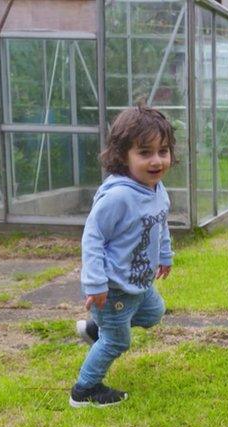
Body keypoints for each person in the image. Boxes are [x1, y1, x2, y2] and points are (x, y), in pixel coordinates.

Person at [70, 105, 176, 408]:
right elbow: (93, 237)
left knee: (153, 313)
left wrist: (165, 254)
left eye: (163, 151)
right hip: (115, 286)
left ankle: (96, 329)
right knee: (118, 341)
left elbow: (160, 222)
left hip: (139, 283)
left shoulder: (156, 189)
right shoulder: (118, 196)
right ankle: (84, 390)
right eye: (145, 153)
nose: (156, 160)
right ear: (123, 156)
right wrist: (95, 283)